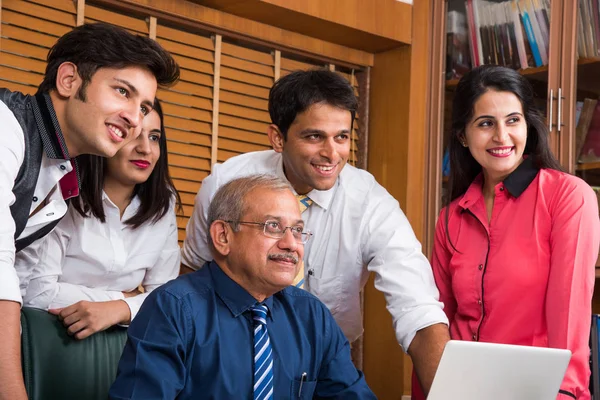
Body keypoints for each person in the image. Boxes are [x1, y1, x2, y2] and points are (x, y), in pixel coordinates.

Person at [181, 69, 450, 395]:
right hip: (226, 356)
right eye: (314, 137)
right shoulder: (225, 183)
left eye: (341, 137)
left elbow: (418, 309)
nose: (332, 153)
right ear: (278, 138)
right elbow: (191, 274)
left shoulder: (370, 203)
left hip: (325, 365)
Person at [0, 22, 179, 399]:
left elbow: (18, 279)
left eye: (143, 106)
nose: (135, 119)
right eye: (122, 92)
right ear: (68, 80)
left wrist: (119, 308)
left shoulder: (60, 171)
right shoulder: (6, 128)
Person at [109, 174, 376, 399]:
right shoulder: (172, 309)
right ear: (223, 236)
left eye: (297, 231)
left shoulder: (311, 316)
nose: (291, 244)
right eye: (273, 227)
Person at [422, 65, 600, 400]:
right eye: (486, 123)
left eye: (513, 120)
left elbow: (570, 315)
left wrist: (566, 394)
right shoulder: (450, 219)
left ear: (527, 125)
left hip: (534, 390)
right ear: (463, 134)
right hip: (459, 389)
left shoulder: (568, 197)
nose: (502, 137)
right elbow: (437, 320)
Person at [15, 99, 181, 339]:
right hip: (49, 338)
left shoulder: (164, 205)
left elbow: (167, 298)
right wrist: (123, 299)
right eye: (134, 135)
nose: (145, 148)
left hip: (126, 347)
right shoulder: (64, 192)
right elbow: (35, 292)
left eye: (154, 137)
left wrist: (118, 310)